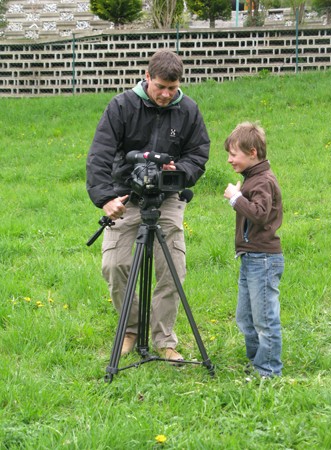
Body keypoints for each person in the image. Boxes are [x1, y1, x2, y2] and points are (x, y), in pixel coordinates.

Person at [86, 49, 210, 363]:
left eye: (173, 87)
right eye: (160, 87)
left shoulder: (189, 110)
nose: (167, 94)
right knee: (115, 266)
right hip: (126, 196)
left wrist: (180, 172)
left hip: (167, 198)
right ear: (147, 77)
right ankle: (130, 329)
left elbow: (198, 154)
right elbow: (99, 155)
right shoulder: (121, 106)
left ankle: (164, 340)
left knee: (172, 270)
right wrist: (105, 199)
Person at [223, 122, 284, 378]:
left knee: (264, 319)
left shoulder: (263, 181)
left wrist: (236, 199)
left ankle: (268, 371)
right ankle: (256, 362)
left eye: (233, 154)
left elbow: (259, 214)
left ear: (252, 153)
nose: (229, 160)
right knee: (246, 318)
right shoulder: (253, 178)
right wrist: (240, 196)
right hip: (251, 258)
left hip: (264, 259)